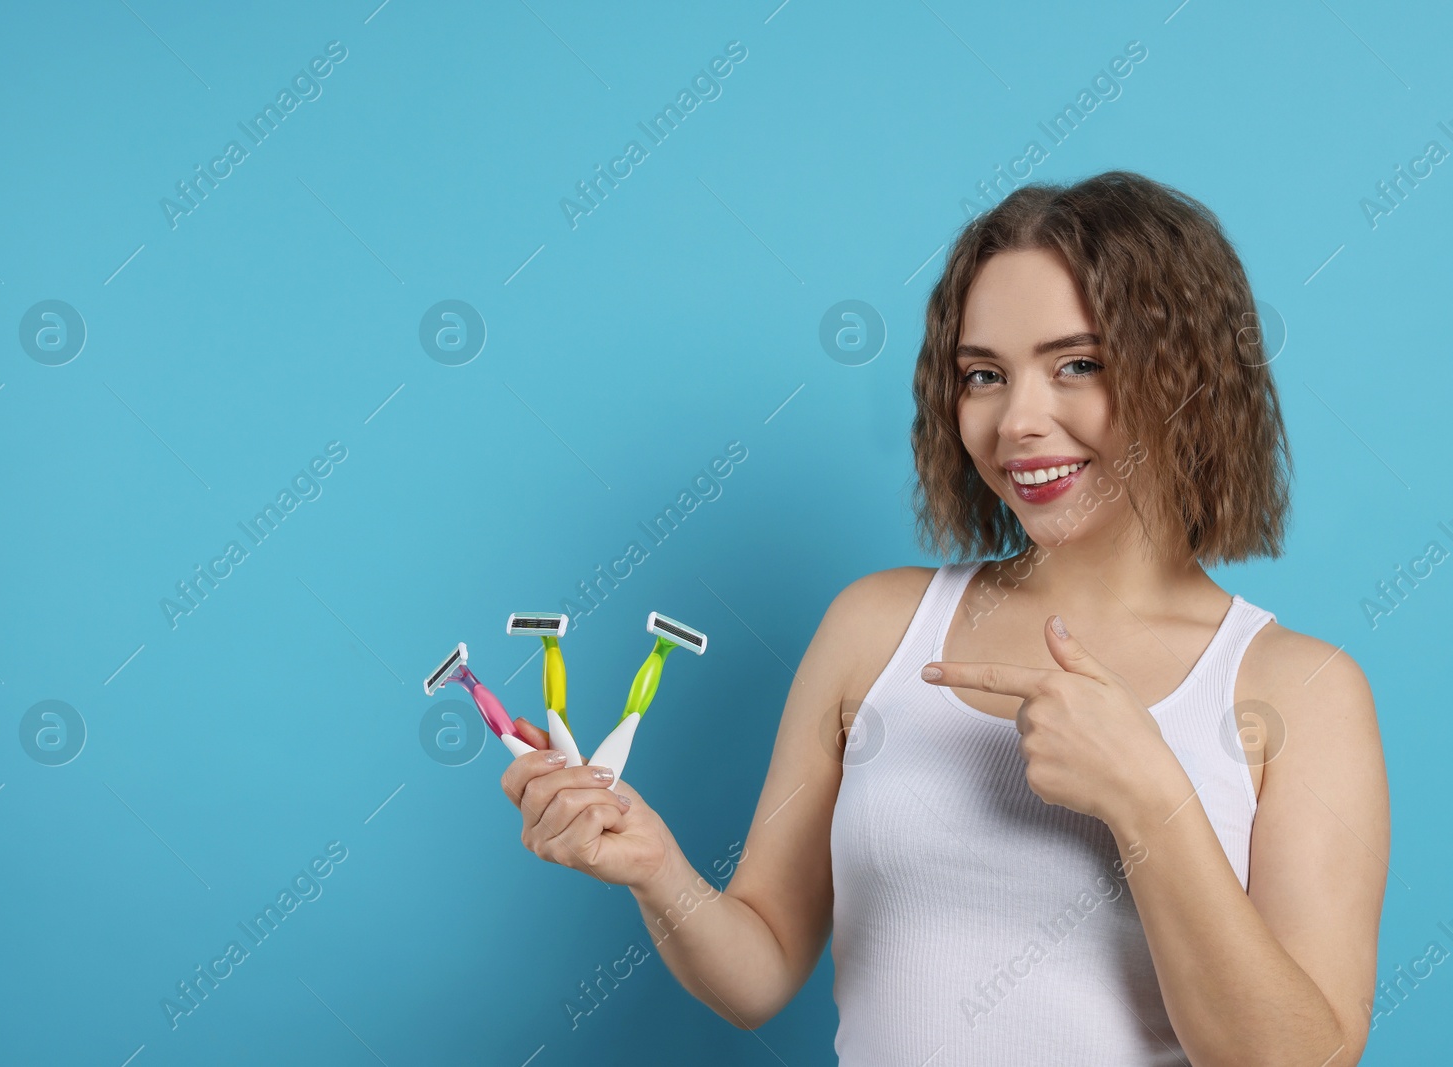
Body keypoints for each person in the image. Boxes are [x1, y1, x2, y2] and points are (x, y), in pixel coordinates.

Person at [499, 170, 1389, 1065]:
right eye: (983, 375)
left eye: (1078, 364)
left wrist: (1148, 796)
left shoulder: (1299, 690)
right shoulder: (875, 627)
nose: (1017, 420)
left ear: (1186, 373)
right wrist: (656, 870)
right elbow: (759, 970)